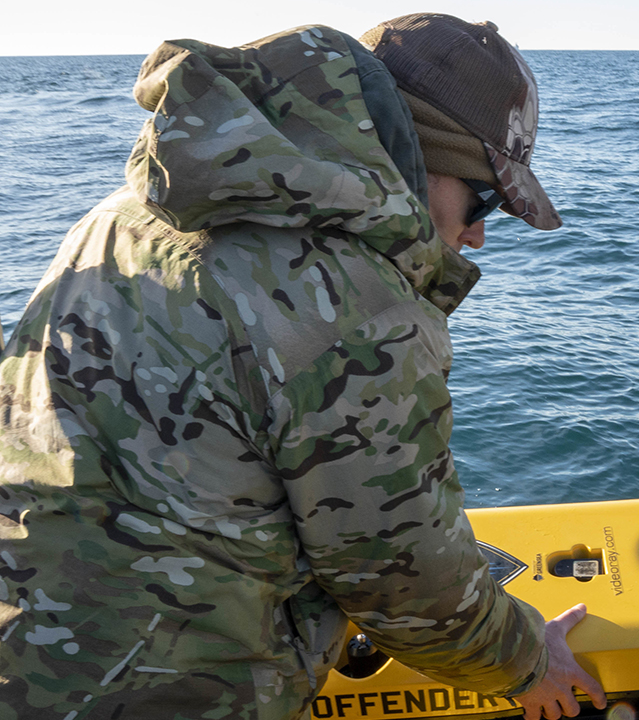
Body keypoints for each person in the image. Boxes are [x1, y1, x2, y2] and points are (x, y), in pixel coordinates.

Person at [0, 13, 606, 720]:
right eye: (486, 200)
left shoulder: (131, 212)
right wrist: (528, 661)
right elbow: (400, 581)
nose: (476, 233)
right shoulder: (357, 305)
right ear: (415, 154)